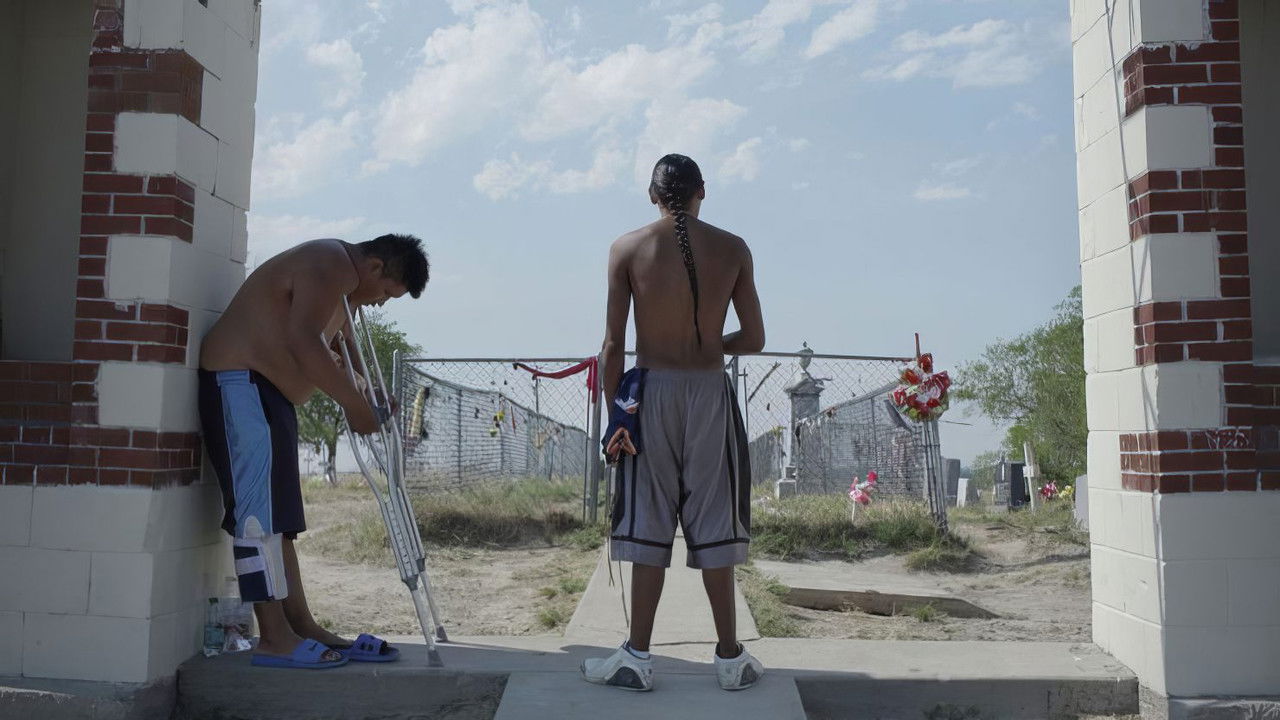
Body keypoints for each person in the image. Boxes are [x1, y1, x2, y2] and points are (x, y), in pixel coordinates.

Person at [198, 234, 429, 669]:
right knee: (257, 517)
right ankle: (274, 638)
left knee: (281, 522)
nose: (381, 304)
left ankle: (301, 626)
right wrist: (356, 407)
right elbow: (306, 341)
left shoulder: (344, 295)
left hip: (271, 396)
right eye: (384, 294)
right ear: (375, 267)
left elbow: (343, 348)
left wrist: (369, 391)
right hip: (240, 384)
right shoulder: (332, 262)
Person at [583, 154, 766, 692]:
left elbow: (613, 346)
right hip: (710, 391)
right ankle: (730, 659)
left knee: (647, 519)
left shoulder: (627, 248)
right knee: (714, 520)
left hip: (651, 390)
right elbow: (752, 338)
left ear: (651, 193)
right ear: (701, 191)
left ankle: (637, 656)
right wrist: (712, 344)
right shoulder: (734, 248)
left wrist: (622, 413)